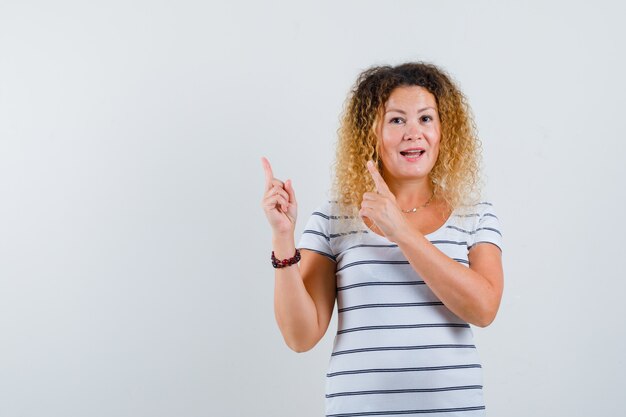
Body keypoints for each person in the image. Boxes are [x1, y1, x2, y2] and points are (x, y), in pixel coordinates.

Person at [260, 62, 503, 417]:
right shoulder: (334, 218)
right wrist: (283, 237)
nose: (413, 133)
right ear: (370, 133)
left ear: (443, 130)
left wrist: (401, 232)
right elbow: (301, 337)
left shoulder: (474, 213)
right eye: (396, 120)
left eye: (425, 118)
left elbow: (483, 309)